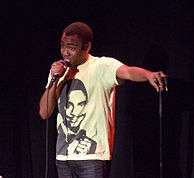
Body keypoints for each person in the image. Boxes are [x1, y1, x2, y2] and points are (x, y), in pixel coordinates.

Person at [39, 21, 167, 178]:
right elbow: (45, 112)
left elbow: (127, 71)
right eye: (63, 46)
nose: (65, 52)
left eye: (72, 47)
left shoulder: (101, 66)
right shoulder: (59, 72)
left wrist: (148, 75)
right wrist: (53, 79)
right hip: (63, 157)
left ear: (86, 47)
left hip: (92, 158)